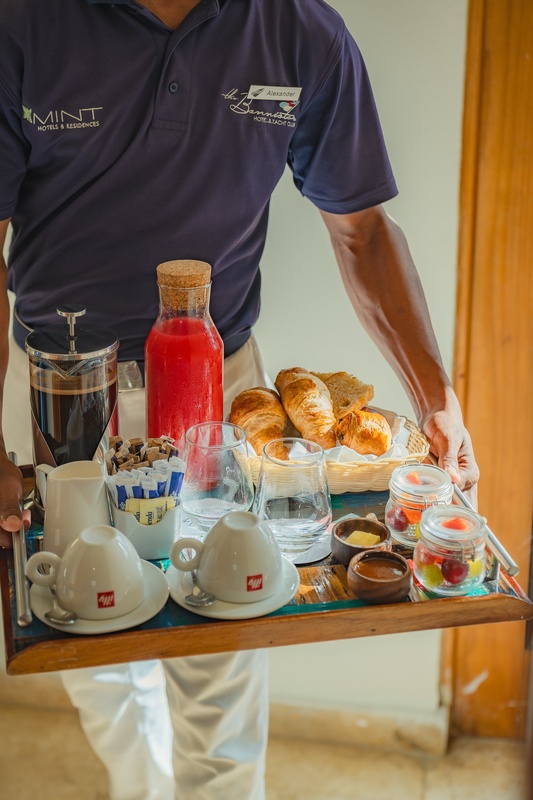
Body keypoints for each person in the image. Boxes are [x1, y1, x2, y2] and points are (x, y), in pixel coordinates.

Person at [0, 1, 479, 799]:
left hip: (214, 396)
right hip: (58, 395)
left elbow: (361, 230)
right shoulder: (22, 24)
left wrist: (437, 398)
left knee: (224, 634)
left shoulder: (299, 30)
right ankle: (136, 786)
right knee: (88, 634)